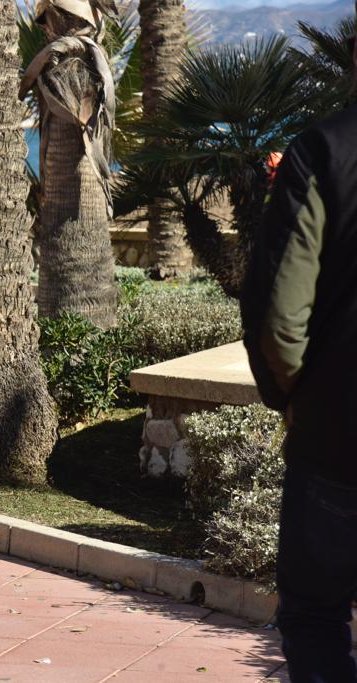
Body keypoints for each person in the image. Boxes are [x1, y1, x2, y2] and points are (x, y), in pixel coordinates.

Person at [240, 19, 357, 681]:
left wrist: (296, 398)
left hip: (337, 443)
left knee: (315, 620)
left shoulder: (321, 151)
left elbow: (282, 319)